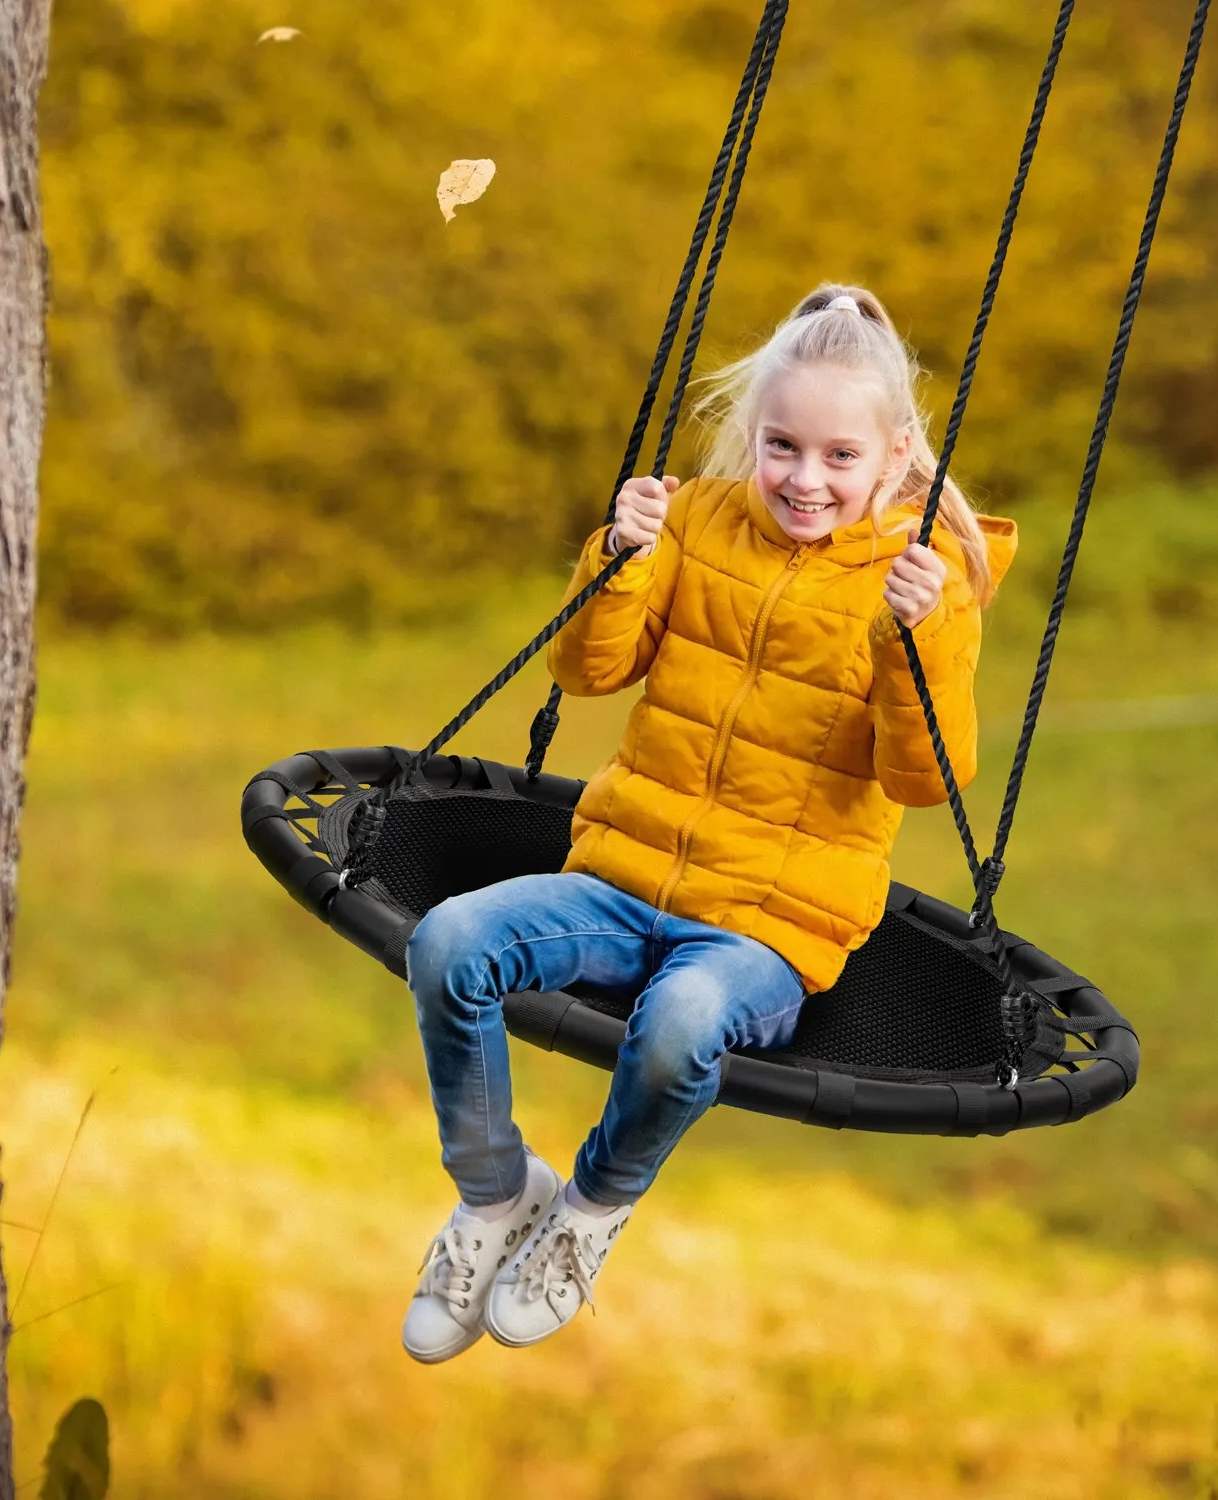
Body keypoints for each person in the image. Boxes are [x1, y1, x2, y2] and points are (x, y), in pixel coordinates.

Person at [400, 282, 1018, 1363]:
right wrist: (620, 557)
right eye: (782, 446)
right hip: (621, 875)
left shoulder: (923, 590)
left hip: (768, 926)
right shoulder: (693, 519)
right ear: (753, 434)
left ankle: (589, 1210)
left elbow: (922, 779)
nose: (804, 479)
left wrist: (915, 644)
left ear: (894, 456)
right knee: (449, 941)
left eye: (838, 456)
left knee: (683, 1022)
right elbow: (587, 671)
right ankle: (494, 1193)